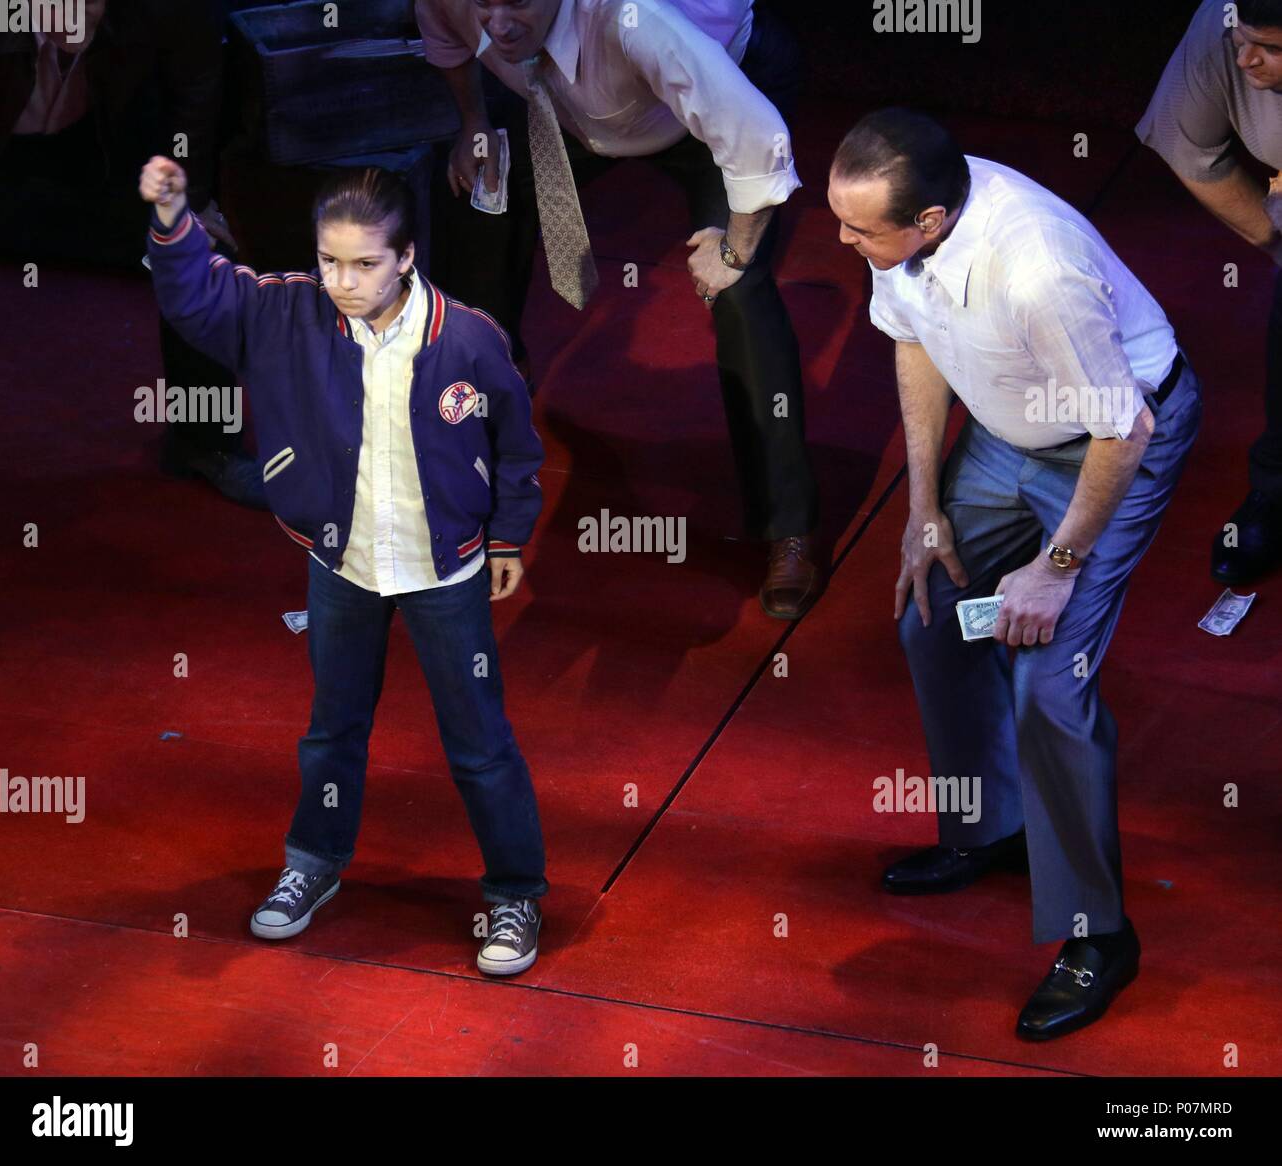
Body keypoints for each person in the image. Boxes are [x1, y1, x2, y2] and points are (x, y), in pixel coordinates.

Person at [829, 109, 1202, 1039]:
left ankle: (1097, 935)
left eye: (859, 230)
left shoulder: (1034, 269)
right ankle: (990, 827)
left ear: (932, 223)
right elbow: (915, 341)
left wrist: (1055, 567)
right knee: (935, 610)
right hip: (1006, 437)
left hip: (1110, 447)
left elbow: (1127, 431)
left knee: (1049, 681)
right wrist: (922, 509)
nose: (840, 240)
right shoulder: (905, 230)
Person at [139, 155, 549, 975]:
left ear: (406, 257)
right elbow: (195, 300)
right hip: (341, 566)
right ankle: (313, 865)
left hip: (445, 571)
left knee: (479, 743)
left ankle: (515, 894)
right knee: (332, 733)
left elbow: (515, 445)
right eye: (330, 259)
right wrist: (173, 222)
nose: (343, 280)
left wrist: (506, 537)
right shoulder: (286, 313)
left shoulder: (468, 337)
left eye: (364, 263)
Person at [415, 0, 821, 618]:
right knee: (480, 194)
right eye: (484, 6)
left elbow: (756, 139)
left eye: (518, 3)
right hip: (579, 113)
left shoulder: (639, 22)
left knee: (738, 295)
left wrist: (733, 253)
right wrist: (473, 119)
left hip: (717, 102)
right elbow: (445, 35)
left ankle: (788, 525)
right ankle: (489, 397)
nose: (496, 26)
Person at [0, 0, 265, 508]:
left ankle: (204, 443)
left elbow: (192, 98)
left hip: (106, 130)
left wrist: (190, 203)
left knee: (196, 242)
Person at [1137, 0, 1282, 584]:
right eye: (1243, 39)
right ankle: (1275, 492)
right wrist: (1276, 247)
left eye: (1271, 49)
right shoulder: (1222, 26)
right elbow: (1188, 148)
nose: (1246, 58)